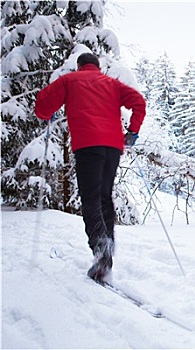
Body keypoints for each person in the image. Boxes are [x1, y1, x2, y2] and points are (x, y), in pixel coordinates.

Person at [35, 52, 146, 282]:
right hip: (113, 147)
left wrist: (48, 113)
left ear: (79, 66)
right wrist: (132, 132)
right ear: (98, 66)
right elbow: (138, 102)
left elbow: (42, 104)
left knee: (91, 199)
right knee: (105, 196)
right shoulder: (111, 84)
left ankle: (101, 251)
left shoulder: (70, 80)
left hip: (88, 145)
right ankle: (107, 250)